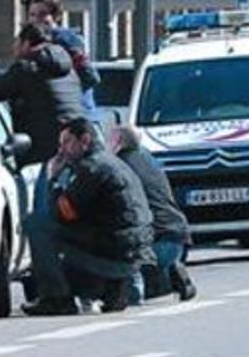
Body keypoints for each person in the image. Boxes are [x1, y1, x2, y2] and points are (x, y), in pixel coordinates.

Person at [21, 118, 156, 316]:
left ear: (84, 140)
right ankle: (110, 290)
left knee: (36, 224)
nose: (62, 150)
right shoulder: (113, 162)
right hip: (135, 252)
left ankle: (56, 298)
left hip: (115, 251)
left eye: (67, 143)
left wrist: (54, 180)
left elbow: (64, 213)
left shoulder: (91, 168)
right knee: (72, 238)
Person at [0, 23, 84, 167]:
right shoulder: (68, 71)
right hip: (76, 148)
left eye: (16, 42)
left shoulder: (26, 68)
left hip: (43, 156)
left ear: (26, 43)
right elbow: (7, 78)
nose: (14, 47)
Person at [109, 125, 198, 303]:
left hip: (156, 242)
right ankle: (171, 273)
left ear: (118, 142)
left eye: (109, 139)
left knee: (116, 278)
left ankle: (157, 282)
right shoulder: (147, 158)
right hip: (178, 234)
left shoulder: (120, 167)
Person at [26, 0, 101, 113]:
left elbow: (90, 77)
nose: (36, 20)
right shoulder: (34, 42)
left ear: (57, 17)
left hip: (79, 115)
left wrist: (63, 92)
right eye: (32, 15)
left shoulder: (65, 39)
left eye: (42, 14)